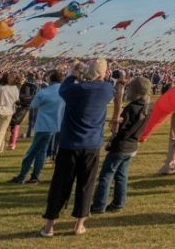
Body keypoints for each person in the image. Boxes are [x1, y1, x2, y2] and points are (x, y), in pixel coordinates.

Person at [40, 59, 115, 238]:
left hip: (69, 144)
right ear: (103, 73)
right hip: (92, 145)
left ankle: (49, 225)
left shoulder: (73, 89)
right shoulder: (106, 90)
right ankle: (79, 224)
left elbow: (64, 88)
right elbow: (104, 82)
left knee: (60, 184)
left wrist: (74, 73)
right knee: (86, 184)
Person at [91, 77, 151, 214]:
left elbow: (122, 130)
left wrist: (115, 128)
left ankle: (98, 205)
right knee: (121, 175)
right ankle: (118, 203)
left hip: (122, 146)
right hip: (132, 146)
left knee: (106, 175)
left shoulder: (131, 108)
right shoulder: (147, 107)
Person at [12, 70, 65, 184]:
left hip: (43, 125)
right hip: (55, 126)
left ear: (51, 79)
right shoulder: (64, 92)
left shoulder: (44, 92)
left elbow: (33, 105)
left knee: (31, 153)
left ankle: (21, 176)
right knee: (42, 152)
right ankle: (35, 176)